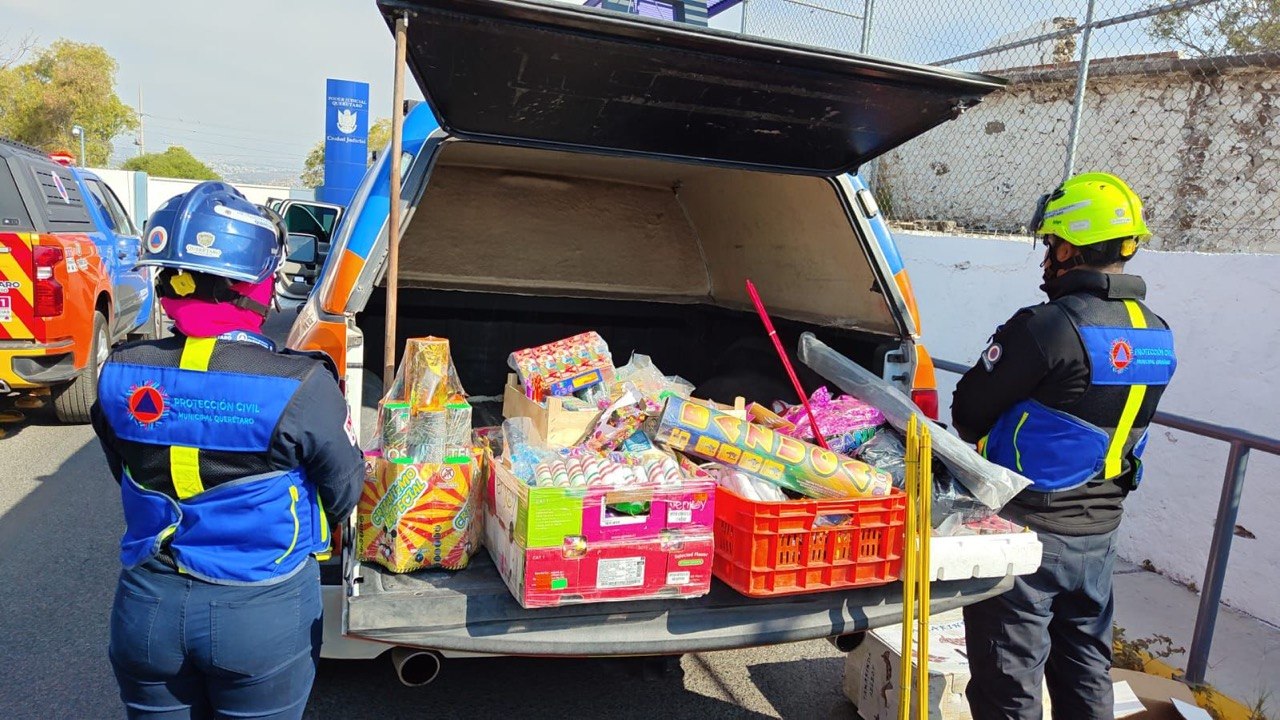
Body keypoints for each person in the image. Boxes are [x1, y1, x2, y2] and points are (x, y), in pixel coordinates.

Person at [90, 182, 364, 719]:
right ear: (255, 285)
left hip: (146, 607)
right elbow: (343, 491)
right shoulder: (300, 384)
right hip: (261, 609)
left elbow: (122, 467)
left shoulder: (118, 371)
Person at [951, 173, 1177, 720]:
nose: (1046, 256)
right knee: (1086, 673)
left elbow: (968, 412)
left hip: (1029, 530)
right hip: (1101, 533)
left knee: (1009, 686)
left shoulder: (1048, 326)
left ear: (1070, 247)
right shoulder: (1157, 331)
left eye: (1051, 243)